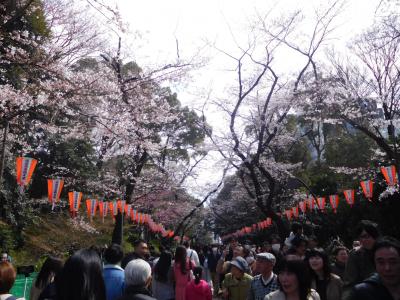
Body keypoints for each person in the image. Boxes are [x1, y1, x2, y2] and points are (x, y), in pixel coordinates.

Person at [343, 220, 380, 297]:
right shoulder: (355, 255)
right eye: (362, 237)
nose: (364, 240)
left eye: (368, 236)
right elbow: (349, 285)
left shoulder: (385, 251)